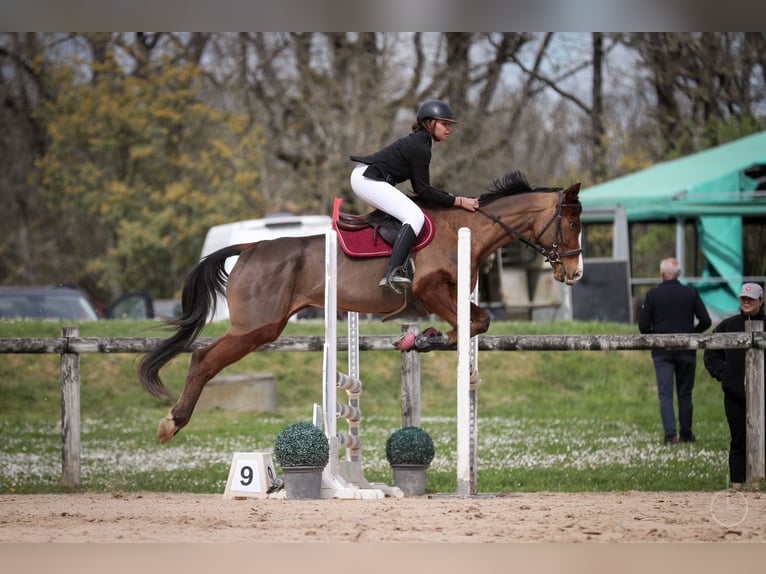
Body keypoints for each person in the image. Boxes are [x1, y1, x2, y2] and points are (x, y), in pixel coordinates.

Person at [349, 99, 479, 292]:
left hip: (368, 177)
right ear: (428, 123)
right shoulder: (421, 147)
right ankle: (393, 273)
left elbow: (422, 188)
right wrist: (458, 201)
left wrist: (449, 197)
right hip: (367, 179)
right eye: (444, 123)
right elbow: (423, 191)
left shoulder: (422, 143)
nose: (449, 129)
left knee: (410, 213)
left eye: (450, 124)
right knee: (415, 216)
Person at [638, 257, 712, 444]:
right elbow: (706, 321)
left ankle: (670, 435)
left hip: (662, 352)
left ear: (663, 274)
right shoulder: (691, 293)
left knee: (665, 393)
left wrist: (656, 337)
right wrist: (691, 335)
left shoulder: (653, 295)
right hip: (687, 350)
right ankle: (686, 434)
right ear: (678, 274)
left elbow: (643, 326)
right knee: (685, 392)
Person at [703, 283, 766, 490]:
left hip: (763, 395)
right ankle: (737, 485)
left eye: (751, 299)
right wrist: (724, 375)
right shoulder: (727, 325)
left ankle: (759, 482)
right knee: (738, 440)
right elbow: (711, 352)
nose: (746, 302)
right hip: (735, 394)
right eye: (743, 299)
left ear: (761, 301)